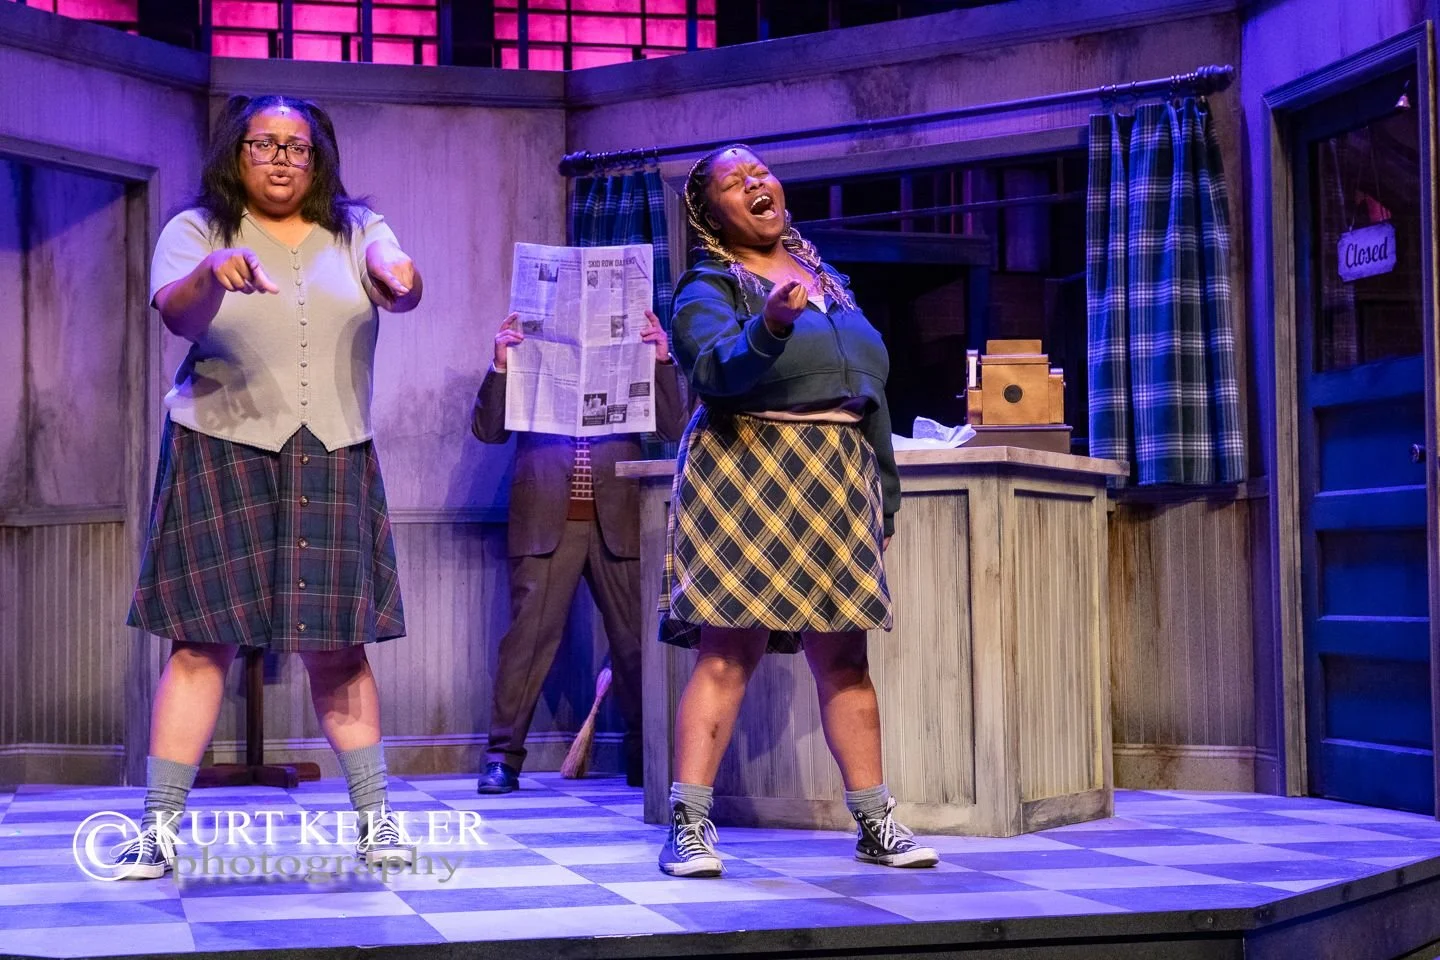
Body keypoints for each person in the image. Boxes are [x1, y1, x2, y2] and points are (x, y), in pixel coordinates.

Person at [118, 94, 422, 878]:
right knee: (199, 645)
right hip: (221, 446)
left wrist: (399, 276)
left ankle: (377, 823)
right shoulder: (196, 229)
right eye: (265, 144)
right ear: (236, 153)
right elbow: (180, 317)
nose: (283, 158)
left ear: (317, 160)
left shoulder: (357, 228)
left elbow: (401, 278)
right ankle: (156, 831)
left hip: (333, 450)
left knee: (339, 649)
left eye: (298, 147)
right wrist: (211, 275)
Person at [656, 144, 938, 877]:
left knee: (844, 655)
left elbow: (867, 389)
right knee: (729, 649)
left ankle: (877, 823)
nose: (756, 184)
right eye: (733, 182)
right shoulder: (711, 282)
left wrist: (887, 492)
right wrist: (771, 325)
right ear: (709, 214)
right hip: (747, 466)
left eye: (761, 173)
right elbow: (715, 370)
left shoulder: (829, 280)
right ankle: (688, 826)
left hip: (838, 475)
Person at [471, 310, 687, 793]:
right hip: (547, 516)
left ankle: (645, 755)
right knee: (527, 640)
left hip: (621, 514)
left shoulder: (632, 355)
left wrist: (660, 357)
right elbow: (488, 431)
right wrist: (502, 364)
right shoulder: (529, 355)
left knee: (637, 643)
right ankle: (502, 757)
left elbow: (675, 425)